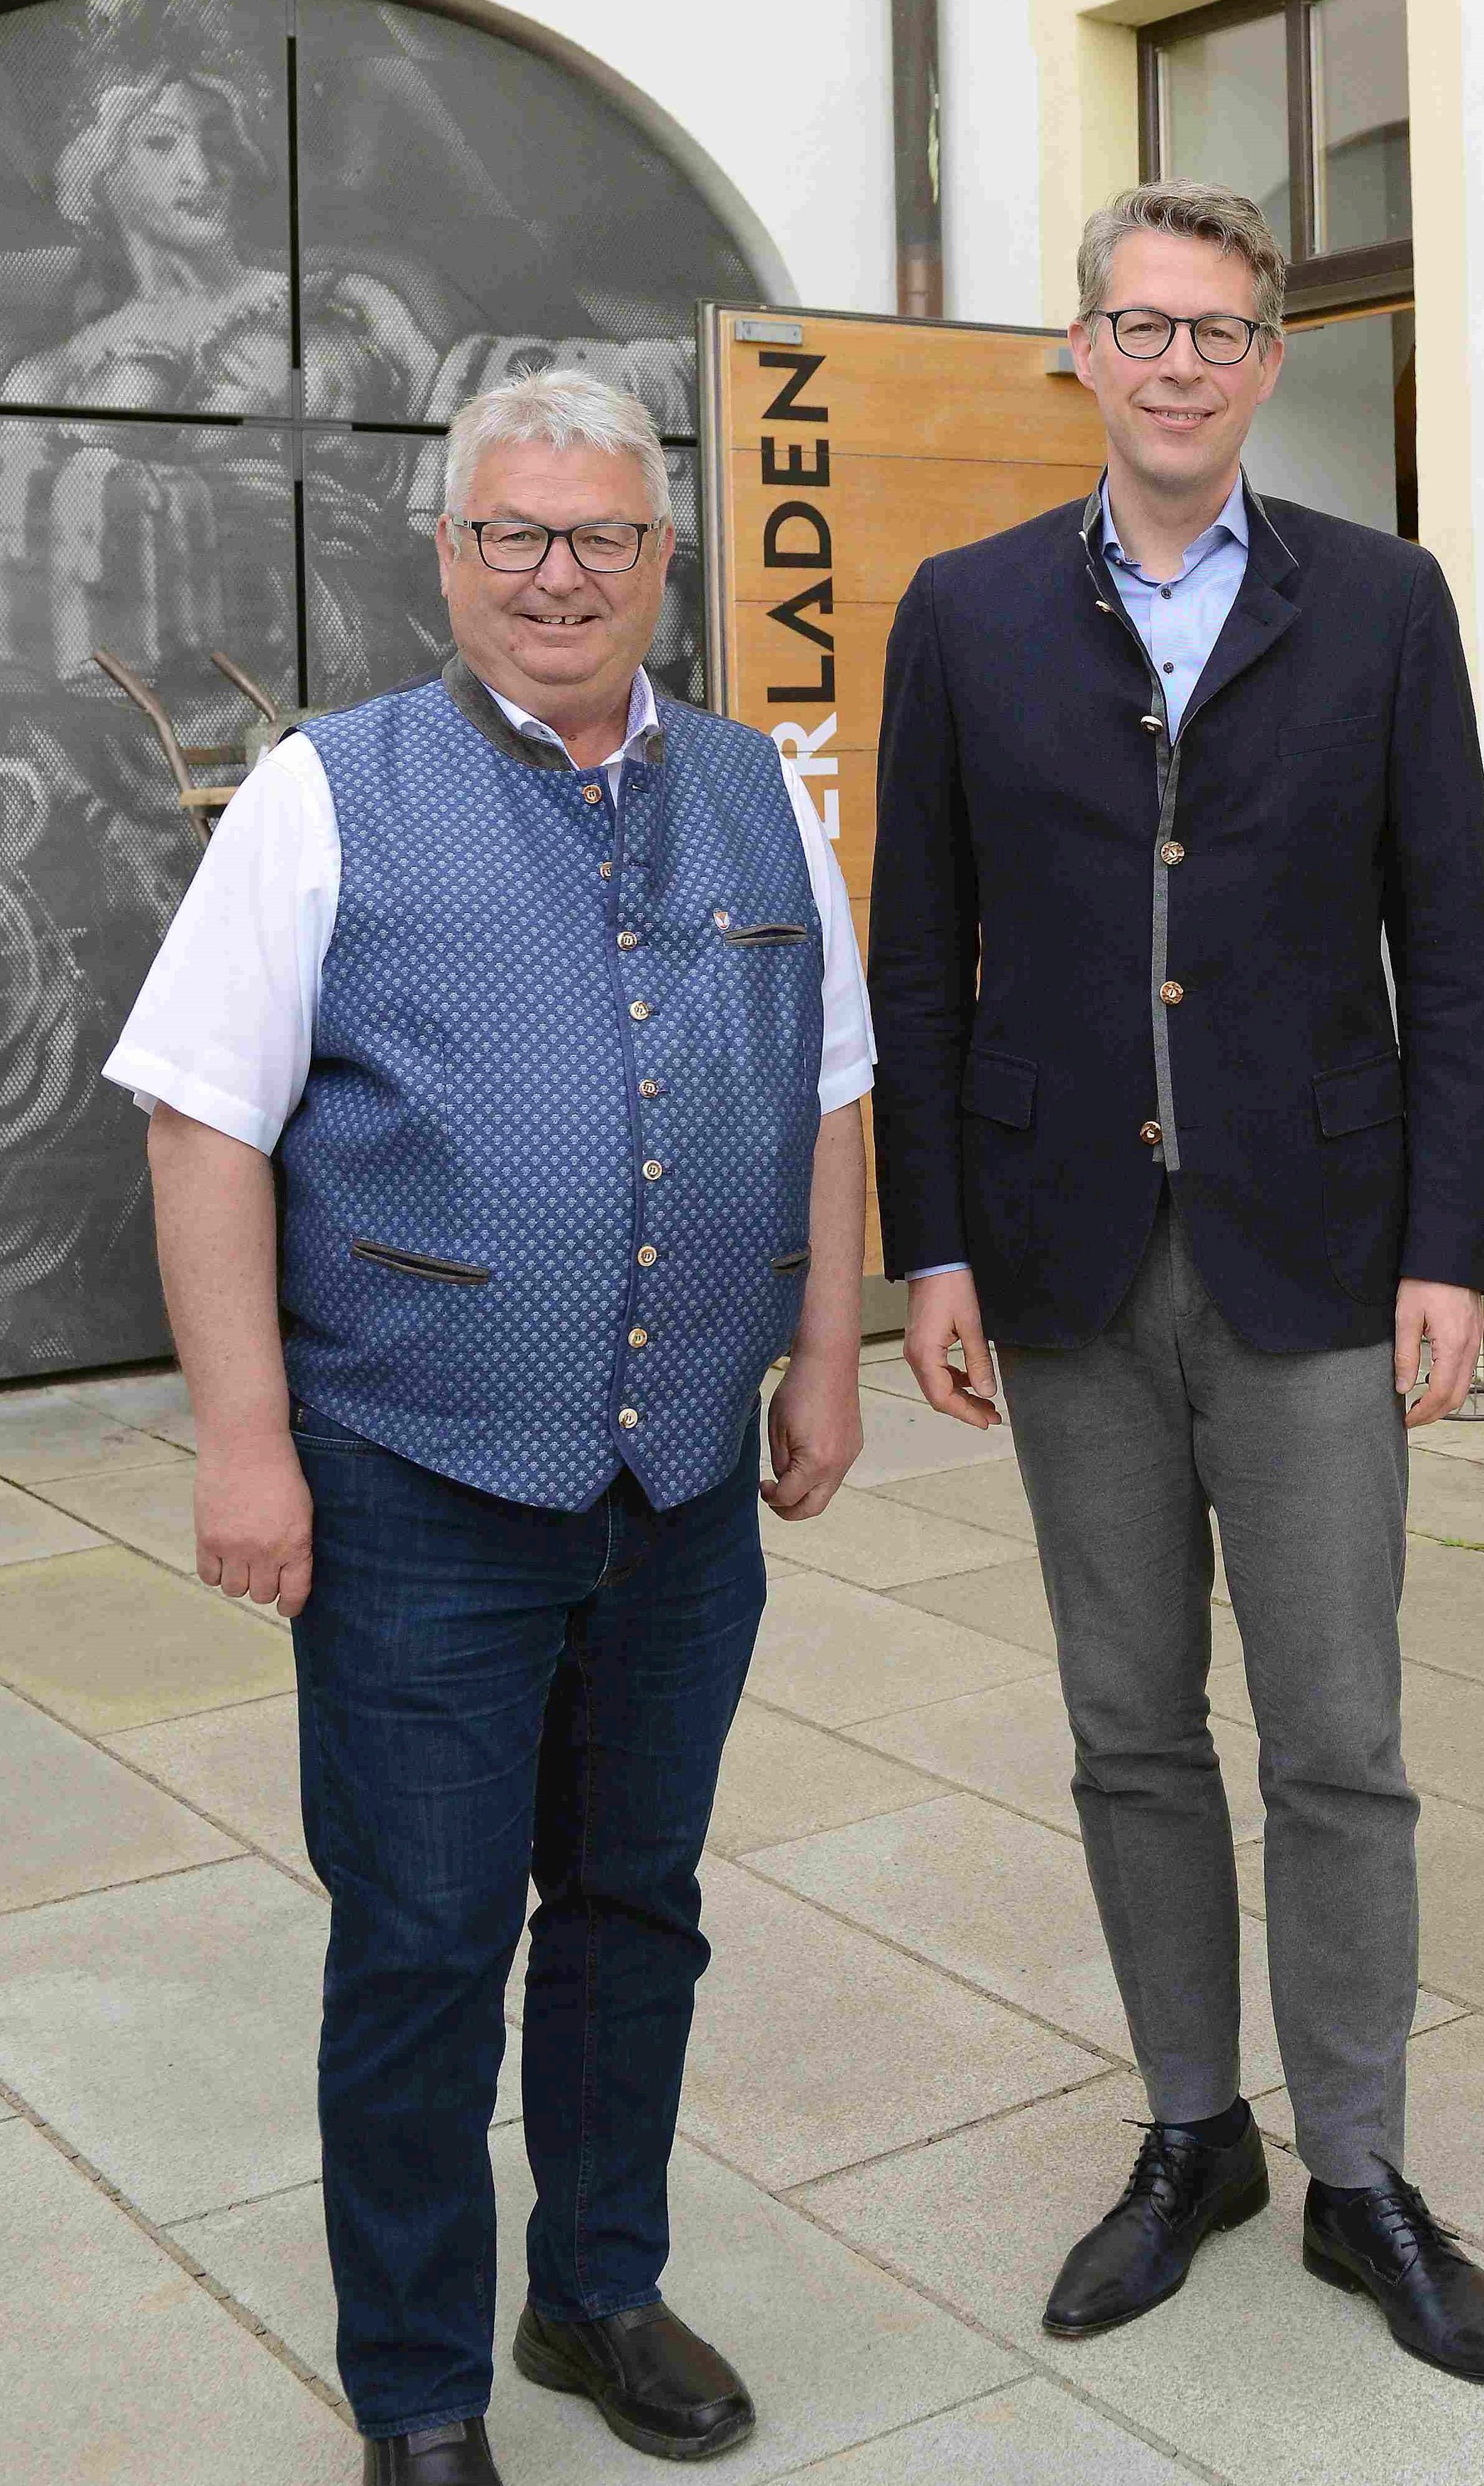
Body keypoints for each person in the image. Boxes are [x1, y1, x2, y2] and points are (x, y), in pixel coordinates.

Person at [102, 369, 876, 2486]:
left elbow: (828, 1090)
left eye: (601, 537)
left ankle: (597, 2291)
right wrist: (243, 1448)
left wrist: (826, 1356)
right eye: (515, 536)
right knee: (429, 1946)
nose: (558, 574)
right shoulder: (324, 793)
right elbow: (201, 1124)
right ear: (446, 556)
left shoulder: (758, 790)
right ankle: (420, 2389)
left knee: (637, 1906)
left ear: (661, 559)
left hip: (680, 1484)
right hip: (414, 1478)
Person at [867, 180, 1484, 2384]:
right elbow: (919, 956)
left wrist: (1457, 1247)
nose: (1176, 363)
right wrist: (931, 1243)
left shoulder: (1379, 603)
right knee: (1130, 1730)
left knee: (1340, 1739)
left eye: (1219, 330)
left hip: (1322, 1256)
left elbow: (1449, 946)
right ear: (1082, 349)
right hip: (1063, 1261)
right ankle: (1191, 2133)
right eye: (1138, 326)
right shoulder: (965, 615)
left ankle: (1358, 2168)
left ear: (1269, 361)